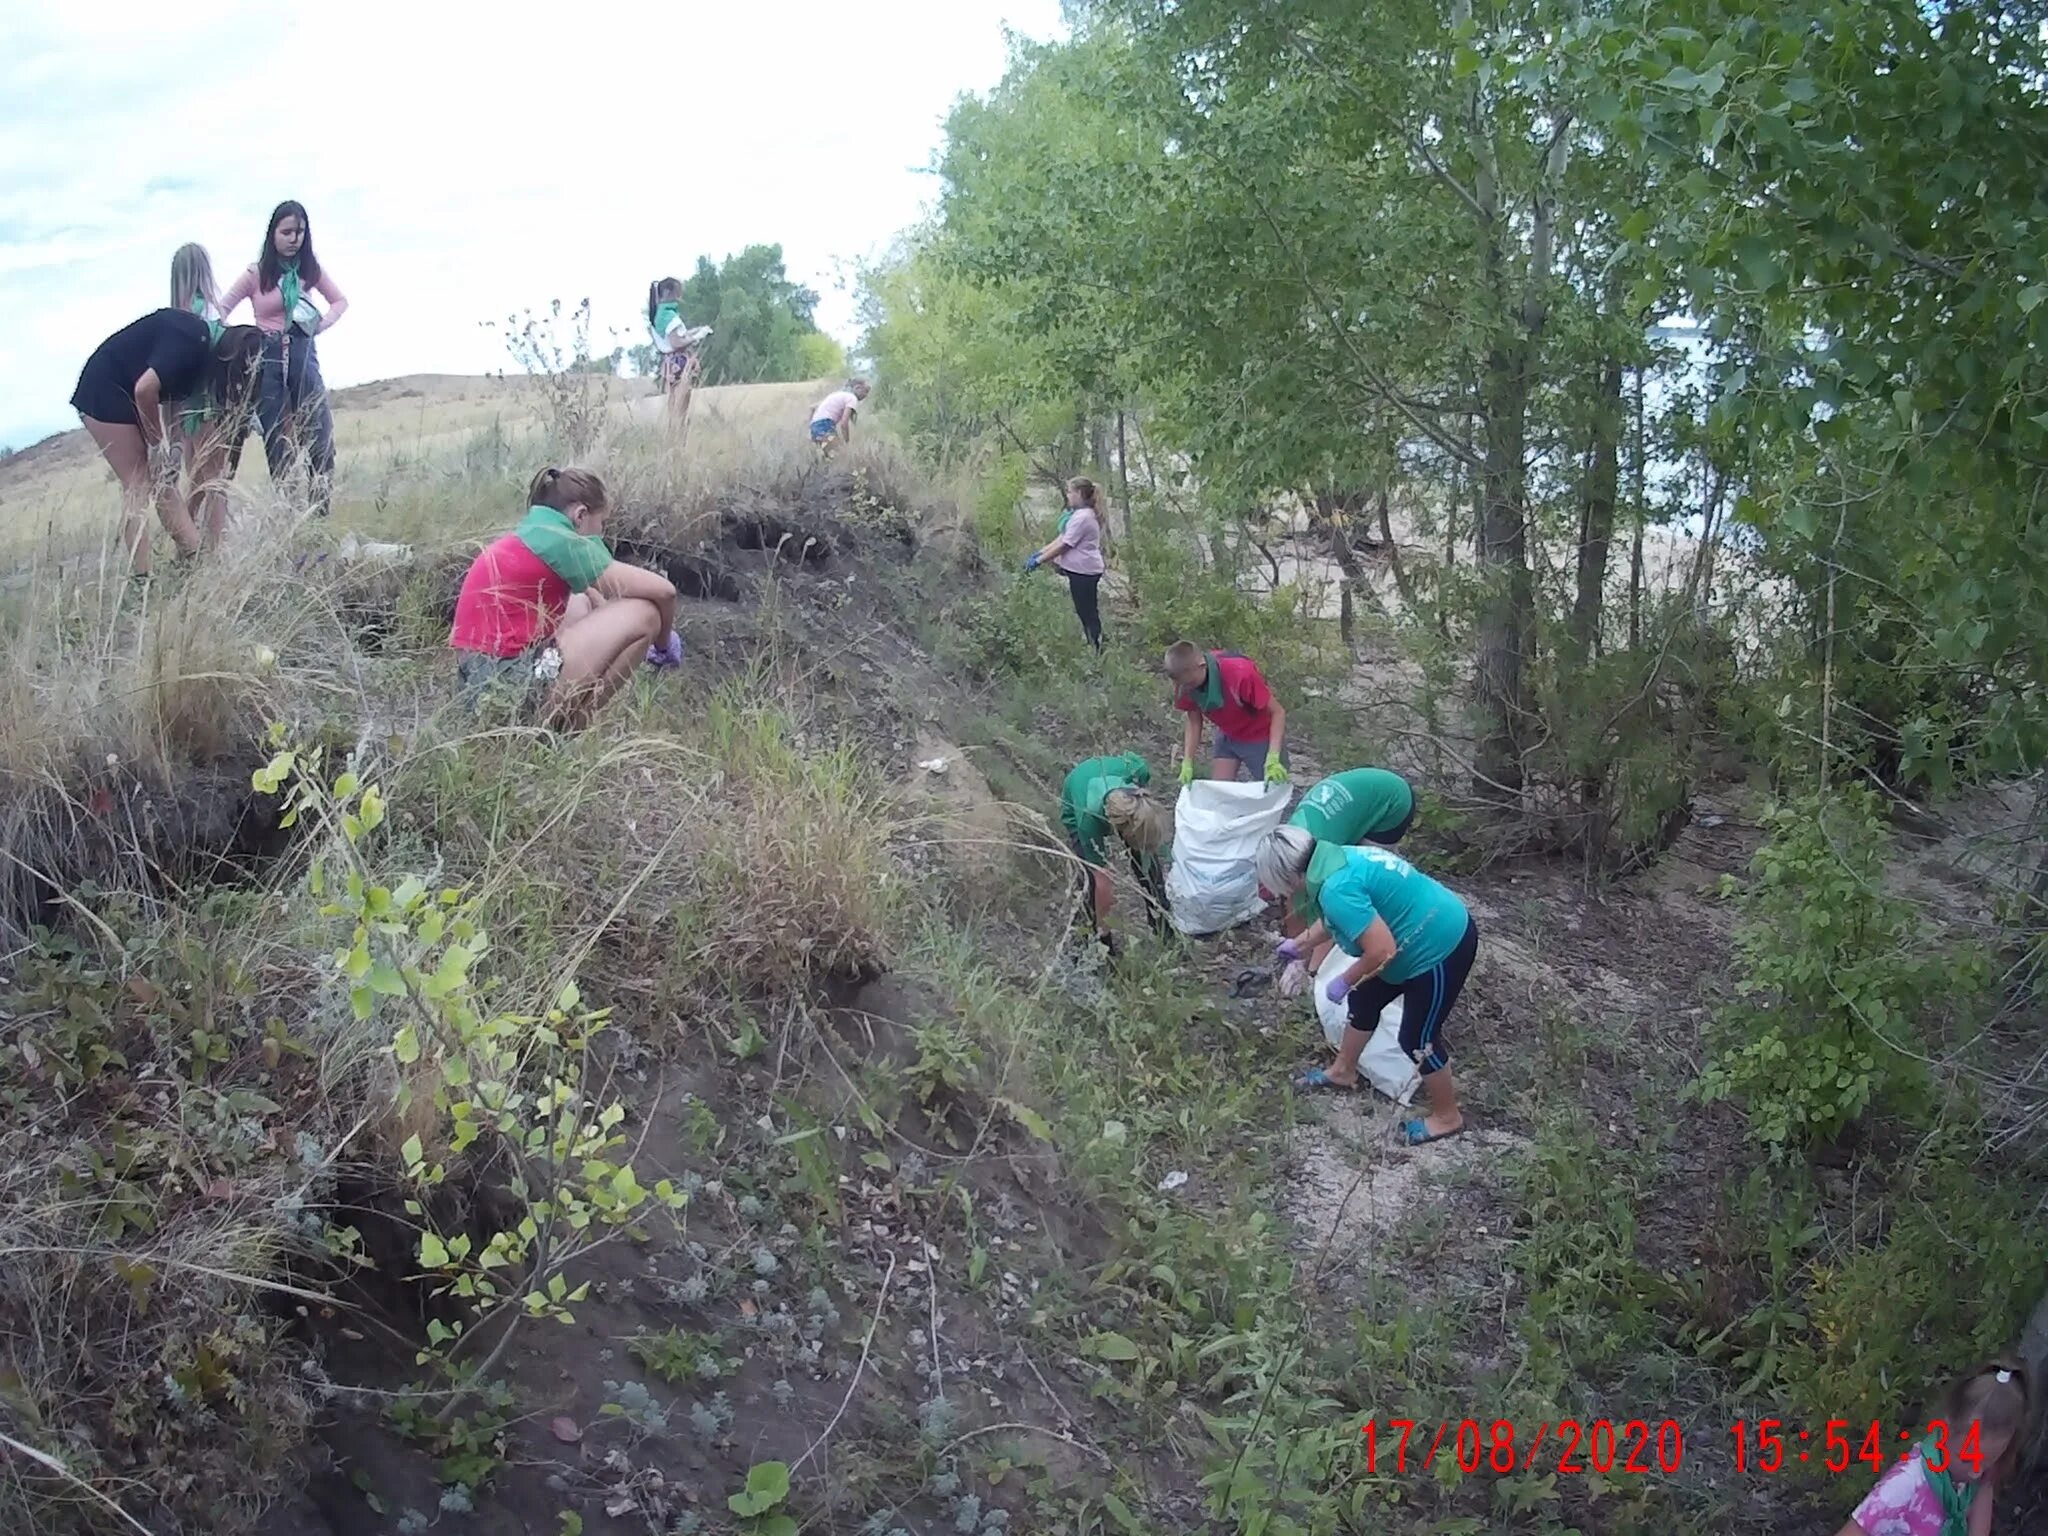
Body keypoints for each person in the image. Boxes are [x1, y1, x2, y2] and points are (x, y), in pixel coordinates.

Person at [1257, 835, 1479, 1145]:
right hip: (1409, 935)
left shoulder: (1336, 886)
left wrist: (1345, 979)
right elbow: (1340, 917)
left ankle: (1447, 1115)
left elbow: (1381, 950)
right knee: (1364, 1001)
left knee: (1418, 1037)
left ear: (1286, 875)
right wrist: (1300, 943)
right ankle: (1343, 1071)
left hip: (1440, 944)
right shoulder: (1333, 859)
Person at [449, 467, 684, 731]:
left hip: (478, 689)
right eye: (601, 523)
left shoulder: (532, 532)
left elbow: (591, 595)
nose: (601, 533)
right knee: (646, 614)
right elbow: (665, 592)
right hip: (510, 687)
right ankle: (568, 730)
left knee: (580, 599)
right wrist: (663, 645)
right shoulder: (562, 540)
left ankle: (546, 722)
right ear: (581, 515)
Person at [70, 309, 262, 576]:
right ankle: (142, 579)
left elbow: (167, 394)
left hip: (128, 388)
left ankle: (197, 561)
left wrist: (171, 447)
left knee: (163, 480)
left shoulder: (203, 355)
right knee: (138, 483)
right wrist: (157, 443)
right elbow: (145, 389)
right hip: (103, 388)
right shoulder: (191, 341)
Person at [219, 200, 347, 516]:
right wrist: (245, 341)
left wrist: (319, 326)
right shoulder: (256, 274)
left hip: (304, 356)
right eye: (287, 231)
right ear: (273, 234)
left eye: (300, 232)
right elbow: (222, 309)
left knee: (319, 433)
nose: (294, 238)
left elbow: (340, 301)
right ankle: (287, 514)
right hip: (267, 361)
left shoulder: (309, 271)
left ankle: (319, 513)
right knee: (278, 442)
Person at [1264, 769, 1418, 989]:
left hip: (1391, 800)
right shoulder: (1289, 846)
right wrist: (1297, 947)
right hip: (1355, 800)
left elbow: (1331, 912)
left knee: (1352, 891)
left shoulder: (1325, 867)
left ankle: (1327, 966)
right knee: (1313, 895)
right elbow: (1293, 901)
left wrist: (1310, 971)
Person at [1839, 1362, 2029, 1536]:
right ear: (1946, 1429)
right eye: (1967, 1459)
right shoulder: (1903, 1486)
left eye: (1986, 1462)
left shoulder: (1975, 1471)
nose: (1975, 1472)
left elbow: (1983, 1495)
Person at [170, 244, 246, 545]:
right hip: (210, 406)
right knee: (216, 483)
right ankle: (208, 551)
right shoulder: (210, 312)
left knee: (200, 481)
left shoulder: (177, 316)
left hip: (187, 409)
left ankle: (185, 545)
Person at [1059, 751, 1173, 950]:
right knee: (1090, 882)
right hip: (1077, 794)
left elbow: (1136, 762)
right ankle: (1094, 942)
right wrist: (1104, 930)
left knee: (1147, 861)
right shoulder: (1088, 820)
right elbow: (1102, 881)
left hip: (1123, 801)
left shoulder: (1138, 771)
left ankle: (1162, 922)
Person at [1165, 640, 1289, 786]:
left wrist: (1273, 756)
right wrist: (1188, 761)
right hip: (1228, 734)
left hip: (1260, 736)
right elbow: (1194, 720)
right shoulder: (1183, 684)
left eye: (1191, 683)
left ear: (1202, 666)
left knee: (1273, 788)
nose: (1187, 688)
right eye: (1183, 684)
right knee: (1220, 791)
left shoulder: (1240, 675)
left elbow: (1278, 712)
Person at [1023, 476, 1108, 651]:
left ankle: (1097, 649)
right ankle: (1094, 643)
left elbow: (1065, 545)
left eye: (1070, 492)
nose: (1068, 495)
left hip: (1085, 572)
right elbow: (1062, 538)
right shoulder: (1080, 515)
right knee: (1085, 610)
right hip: (1083, 570)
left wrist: (1039, 561)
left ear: (1079, 493)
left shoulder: (1083, 517)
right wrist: (1040, 552)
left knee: (1087, 612)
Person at [647, 277, 713, 433]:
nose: (680, 296)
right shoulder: (669, 316)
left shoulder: (659, 315)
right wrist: (698, 336)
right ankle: (678, 441)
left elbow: (675, 337)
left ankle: (673, 440)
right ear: (670, 292)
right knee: (680, 407)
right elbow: (676, 342)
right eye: (678, 292)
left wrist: (694, 331)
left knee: (673, 406)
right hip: (679, 362)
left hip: (670, 362)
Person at [808, 379, 870, 453]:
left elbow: (813, 408)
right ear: (857, 388)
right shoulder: (852, 398)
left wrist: (810, 427)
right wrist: (847, 443)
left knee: (826, 457)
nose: (866, 395)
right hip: (825, 425)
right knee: (840, 453)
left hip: (815, 426)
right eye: (866, 391)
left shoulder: (837, 394)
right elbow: (844, 424)